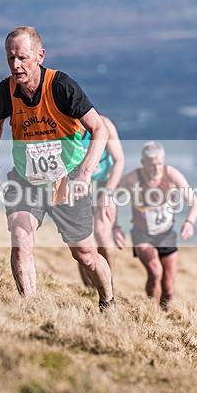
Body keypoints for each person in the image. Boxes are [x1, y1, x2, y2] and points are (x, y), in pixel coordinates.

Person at [0, 26, 115, 311]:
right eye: (10, 59)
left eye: (22, 58)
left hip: (65, 180)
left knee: (85, 254)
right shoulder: (6, 91)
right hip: (26, 179)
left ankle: (108, 301)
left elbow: (98, 129)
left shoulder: (61, 86)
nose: (16, 65)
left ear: (40, 56)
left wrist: (85, 172)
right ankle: (31, 311)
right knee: (20, 240)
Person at [114, 141, 197, 310]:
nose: (157, 168)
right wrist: (116, 227)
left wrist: (189, 222)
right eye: (152, 165)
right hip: (142, 235)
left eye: (160, 163)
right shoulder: (132, 179)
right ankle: (151, 311)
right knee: (155, 272)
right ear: (143, 163)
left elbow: (195, 202)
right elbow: (112, 199)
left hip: (166, 234)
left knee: (168, 288)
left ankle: (164, 314)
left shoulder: (172, 175)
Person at [77, 115, 125, 288]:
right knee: (83, 237)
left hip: (104, 183)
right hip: (79, 184)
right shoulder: (64, 125)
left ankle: (108, 284)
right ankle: (89, 287)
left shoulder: (105, 125)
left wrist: (108, 194)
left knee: (102, 233)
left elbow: (119, 160)